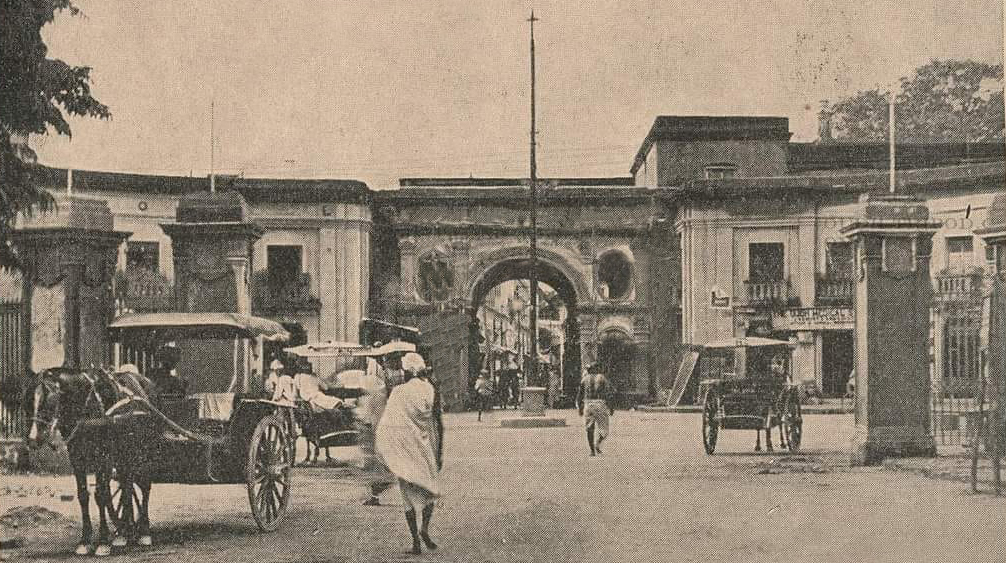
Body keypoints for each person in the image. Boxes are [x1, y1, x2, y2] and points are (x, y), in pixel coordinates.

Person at [376, 352, 444, 555]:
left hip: (403, 449)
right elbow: (438, 423)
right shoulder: (430, 389)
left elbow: (388, 422)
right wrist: (440, 452)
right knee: (430, 490)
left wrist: (388, 448)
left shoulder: (398, 392)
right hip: (423, 446)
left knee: (407, 496)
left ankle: (415, 541)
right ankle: (425, 529)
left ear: (406, 372)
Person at [577, 363, 614, 456]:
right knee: (604, 429)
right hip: (600, 403)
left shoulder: (584, 379)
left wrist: (580, 407)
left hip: (588, 404)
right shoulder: (602, 378)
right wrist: (611, 406)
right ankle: (597, 444)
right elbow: (608, 393)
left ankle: (592, 450)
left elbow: (579, 395)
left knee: (589, 428)